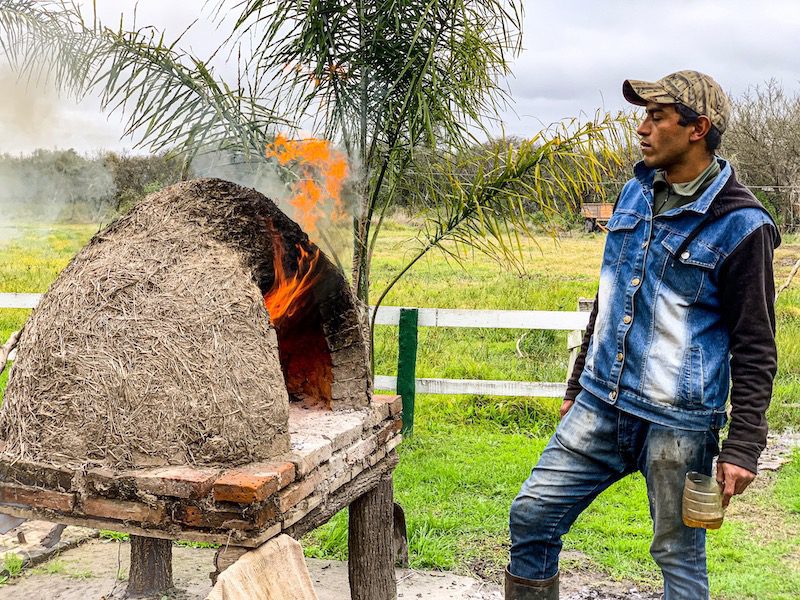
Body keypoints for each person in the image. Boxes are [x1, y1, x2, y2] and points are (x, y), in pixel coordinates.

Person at [506, 70, 780, 600]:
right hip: (601, 403)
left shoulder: (744, 225)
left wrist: (744, 445)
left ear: (697, 128)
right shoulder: (634, 192)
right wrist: (574, 385)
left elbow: (755, 343)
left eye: (657, 117)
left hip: (679, 423)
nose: (642, 128)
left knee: (678, 557)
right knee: (533, 514)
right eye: (644, 116)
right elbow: (610, 296)